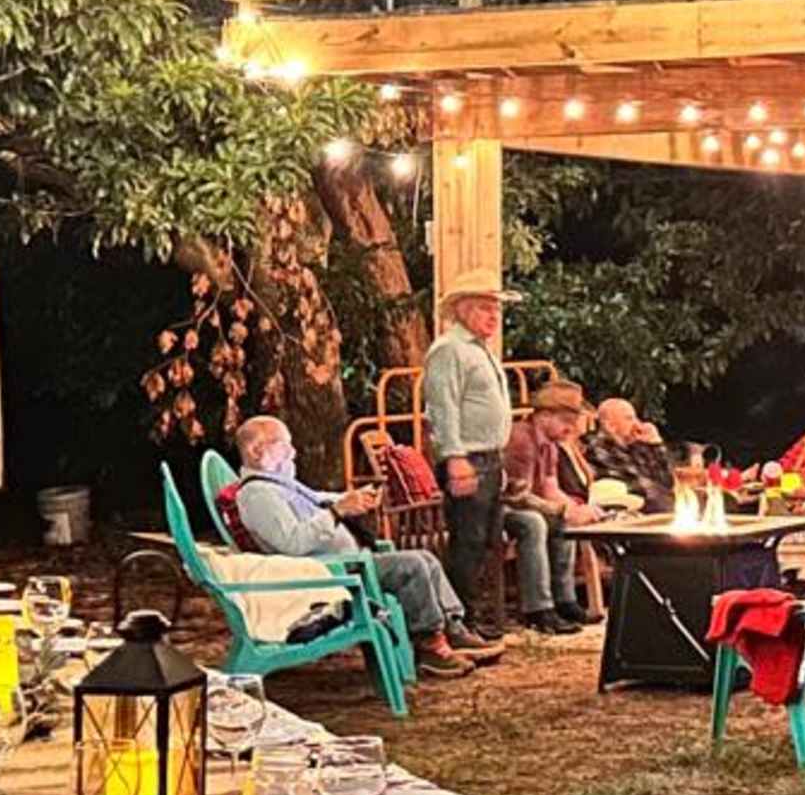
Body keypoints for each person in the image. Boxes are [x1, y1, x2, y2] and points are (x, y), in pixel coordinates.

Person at [223, 416, 499, 677]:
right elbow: (292, 543)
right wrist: (337, 512)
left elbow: (318, 499)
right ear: (258, 450)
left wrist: (354, 499)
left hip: (347, 562)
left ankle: (452, 627)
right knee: (411, 566)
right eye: (284, 445)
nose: (293, 452)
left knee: (426, 558)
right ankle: (429, 645)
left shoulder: (278, 485)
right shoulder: (258, 494)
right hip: (326, 574)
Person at [421, 274, 517, 631]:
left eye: (495, 308)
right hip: (469, 457)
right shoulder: (449, 350)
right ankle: (457, 619)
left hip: (488, 456)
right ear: (462, 310)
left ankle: (474, 614)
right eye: (483, 308)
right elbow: (443, 407)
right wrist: (455, 457)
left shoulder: (477, 350)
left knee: (486, 539)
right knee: (468, 540)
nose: (493, 316)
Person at [498, 382, 601, 634]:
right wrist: (560, 510)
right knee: (533, 523)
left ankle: (565, 600)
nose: (572, 428)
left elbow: (550, 487)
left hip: (528, 504)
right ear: (543, 416)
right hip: (499, 507)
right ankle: (538, 609)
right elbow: (516, 495)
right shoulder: (521, 439)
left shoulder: (551, 445)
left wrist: (576, 510)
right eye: (566, 420)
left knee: (564, 523)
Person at [581, 396, 676, 514]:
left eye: (636, 417)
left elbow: (668, 481)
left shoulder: (637, 446)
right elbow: (637, 489)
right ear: (610, 426)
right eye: (629, 418)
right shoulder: (598, 448)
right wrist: (667, 495)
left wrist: (656, 444)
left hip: (652, 512)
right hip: (623, 517)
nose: (637, 424)